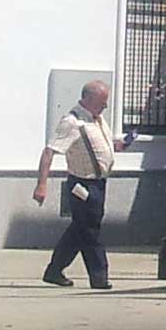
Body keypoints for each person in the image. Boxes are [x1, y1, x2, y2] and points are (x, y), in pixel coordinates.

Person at [32, 79, 116, 290]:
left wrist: (120, 145)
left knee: (79, 230)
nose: (105, 106)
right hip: (82, 185)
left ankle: (54, 271)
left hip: (99, 183)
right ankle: (99, 276)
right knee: (90, 230)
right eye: (102, 102)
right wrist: (41, 185)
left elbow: (100, 145)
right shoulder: (72, 122)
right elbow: (49, 152)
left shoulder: (97, 120)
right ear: (88, 99)